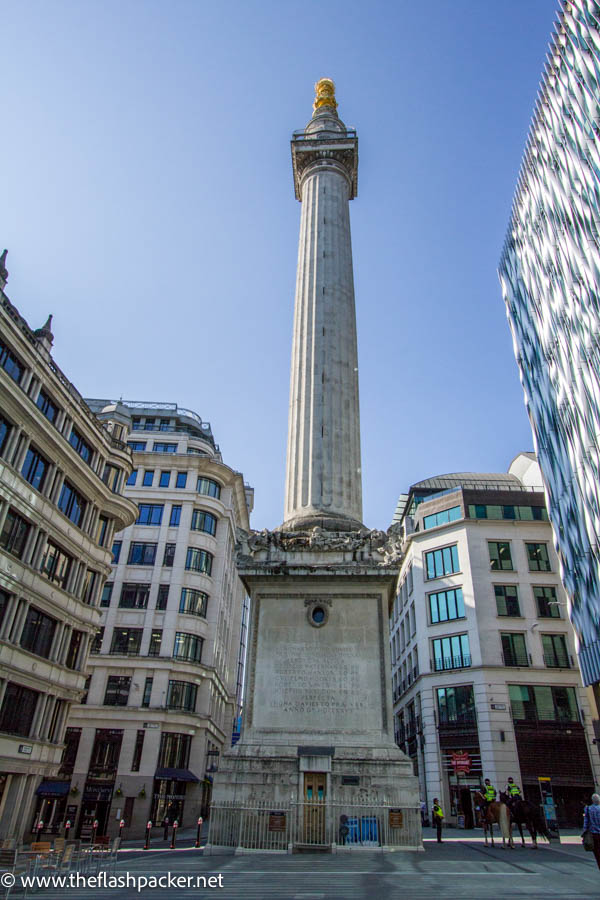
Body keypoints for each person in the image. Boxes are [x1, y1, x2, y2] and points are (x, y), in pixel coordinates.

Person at [583, 793, 600, 869]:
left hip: (593, 834)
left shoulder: (588, 809)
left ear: (592, 801)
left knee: (597, 852)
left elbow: (586, 822)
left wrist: (584, 832)